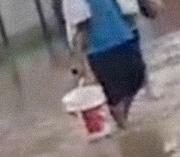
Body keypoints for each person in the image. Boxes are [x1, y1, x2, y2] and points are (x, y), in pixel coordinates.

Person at [63, 0, 147, 128]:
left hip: (125, 36)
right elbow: (80, 27)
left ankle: (122, 117)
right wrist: (80, 61)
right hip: (100, 49)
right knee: (115, 92)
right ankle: (123, 125)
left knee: (138, 78)